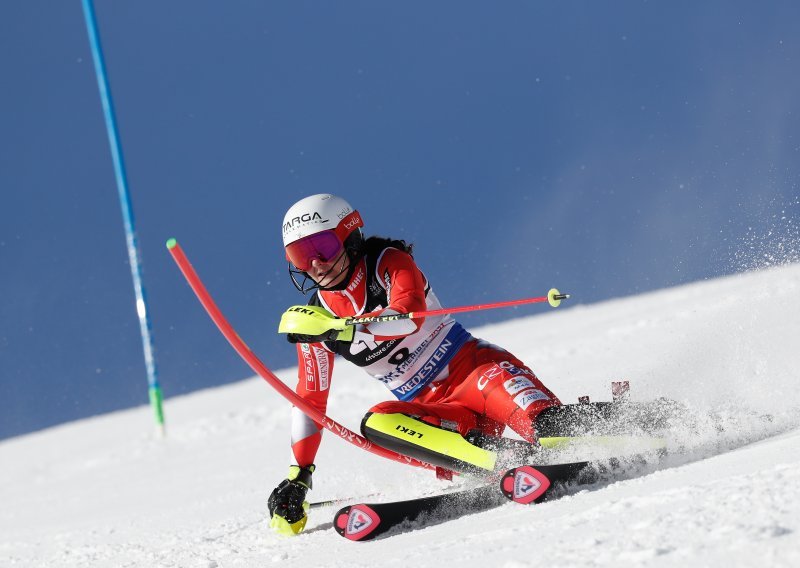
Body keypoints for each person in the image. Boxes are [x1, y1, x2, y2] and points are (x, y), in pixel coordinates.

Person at [267, 193, 562, 536]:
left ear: (349, 237)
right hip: (438, 414)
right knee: (378, 422)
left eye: (322, 248)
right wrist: (299, 476)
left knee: (553, 429)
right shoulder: (316, 318)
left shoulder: (387, 262)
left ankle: (590, 434)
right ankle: (501, 460)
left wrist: (343, 329)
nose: (315, 264)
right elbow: (310, 401)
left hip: (476, 372)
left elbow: (408, 316)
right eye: (300, 256)